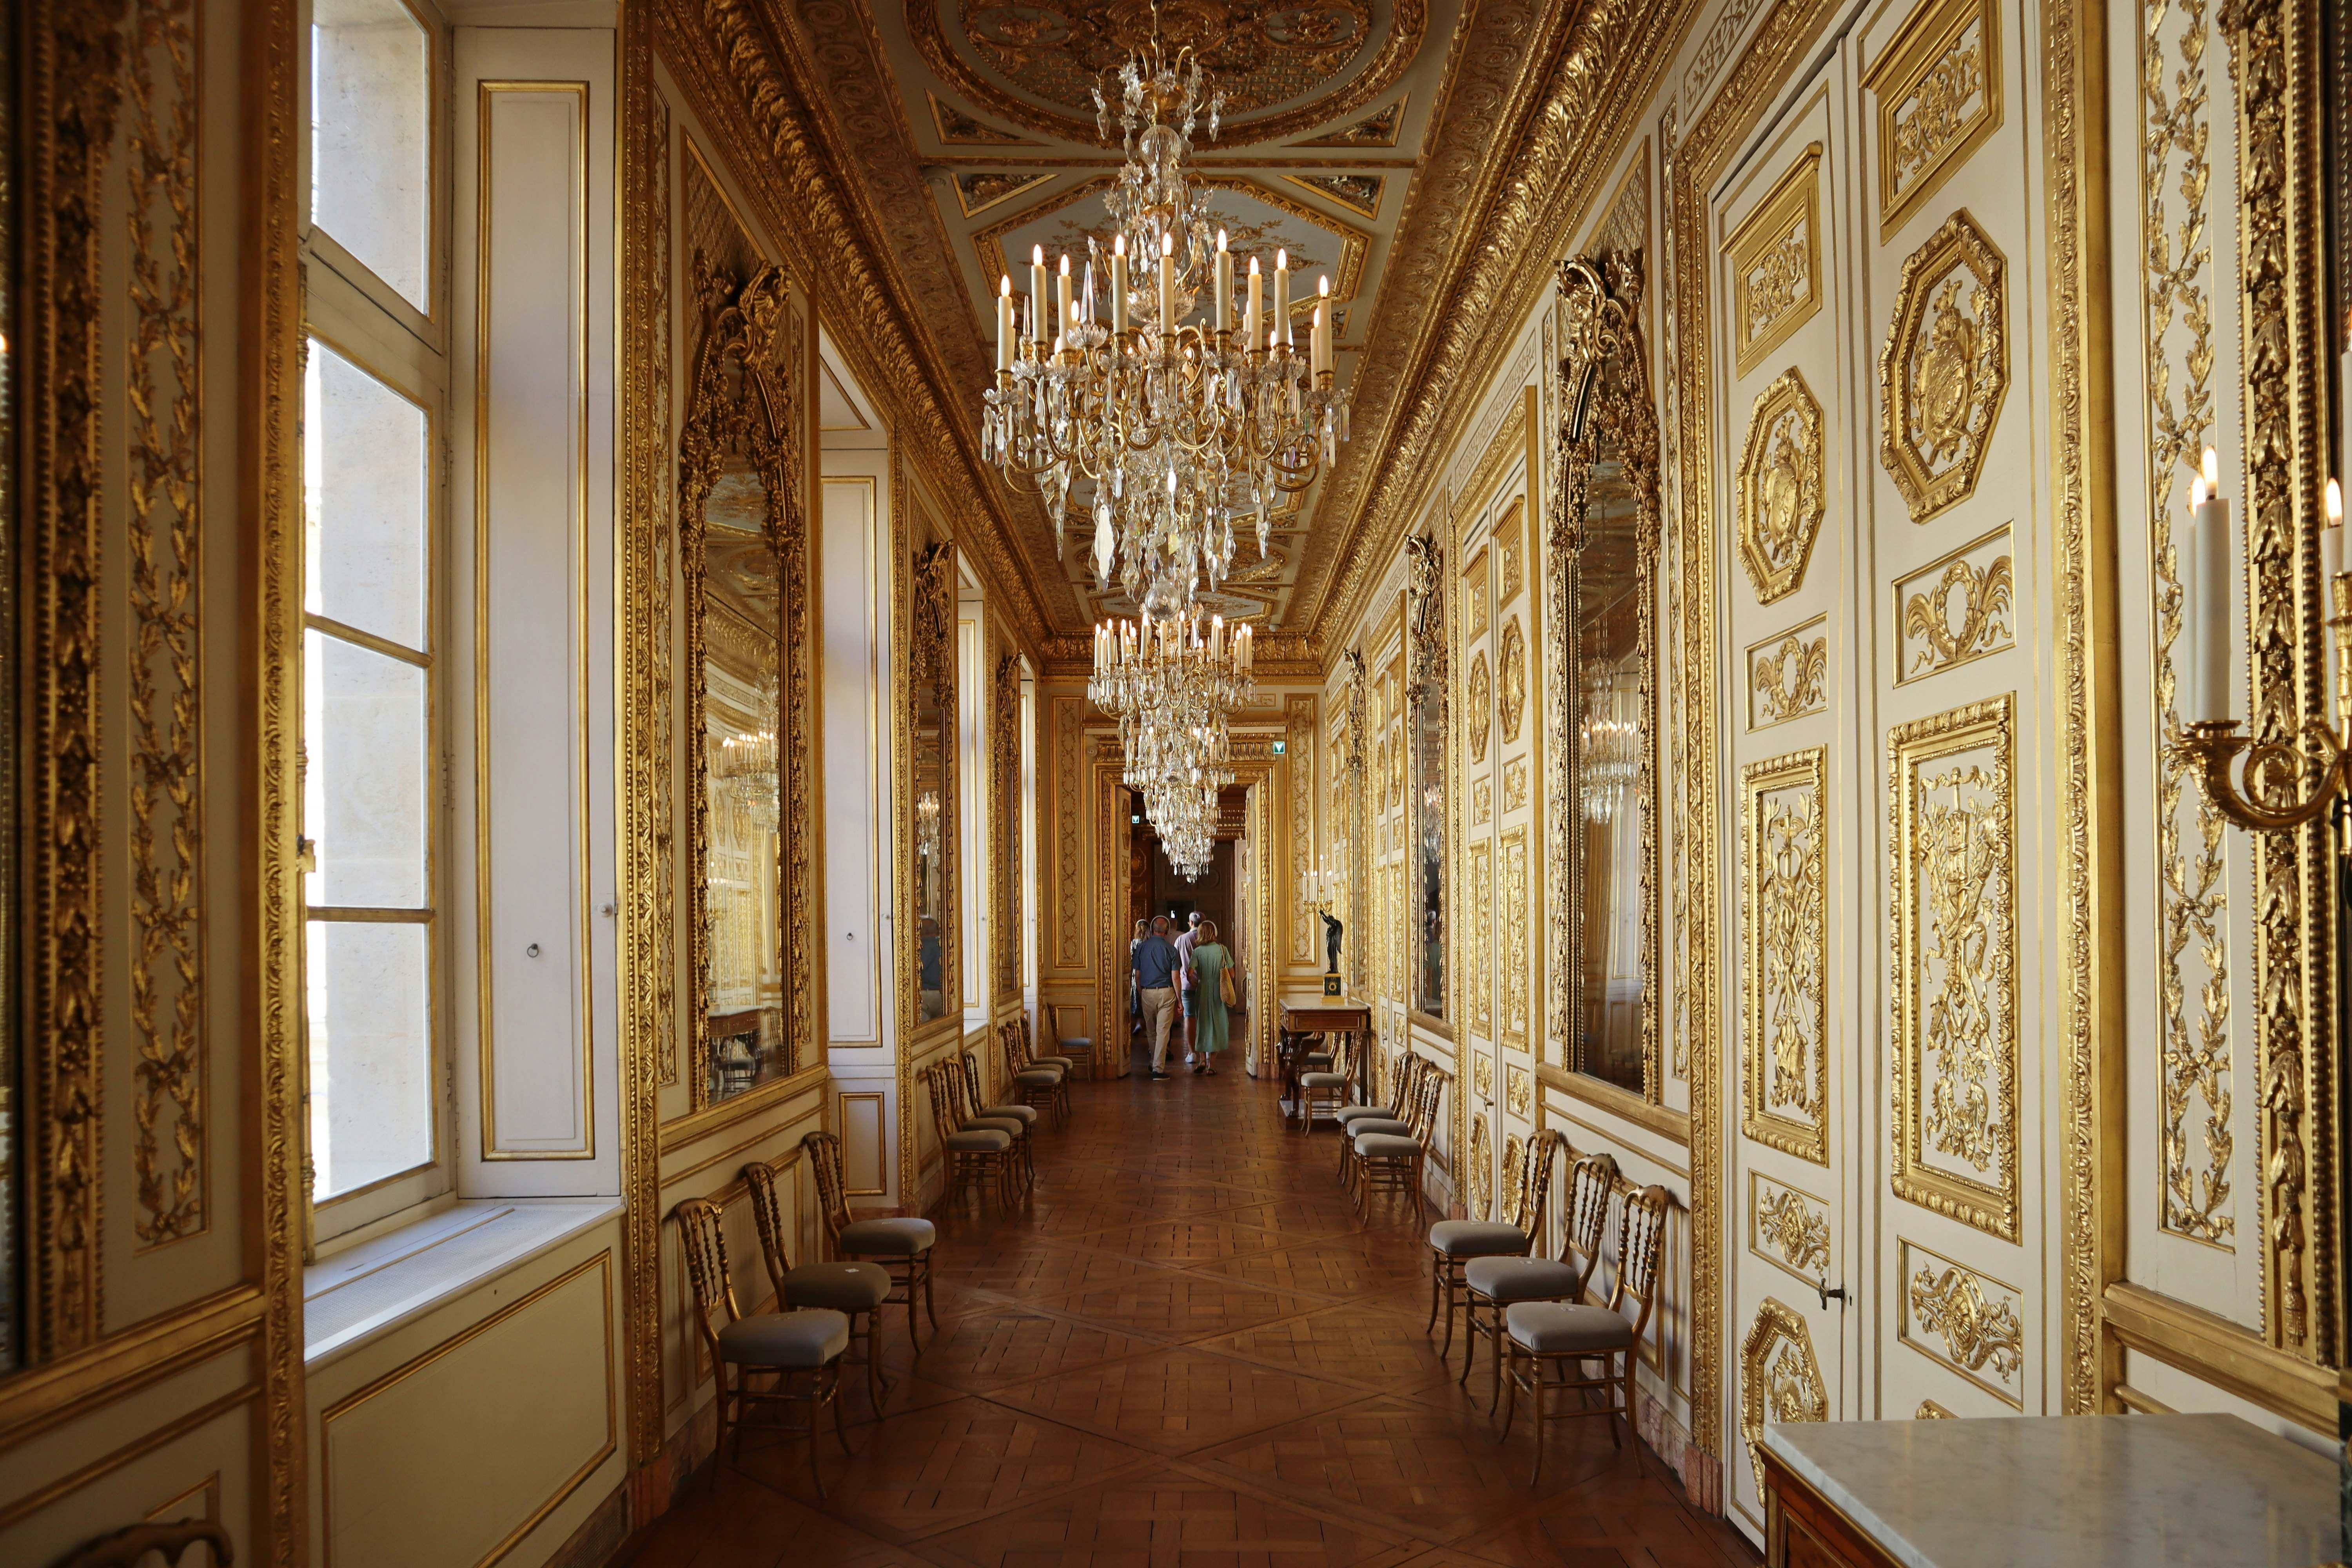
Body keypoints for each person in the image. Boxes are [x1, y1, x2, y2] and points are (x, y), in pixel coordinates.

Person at [1131, 915, 1181, 1080]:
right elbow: (1175, 978)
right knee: (1163, 1031)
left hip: (1147, 991)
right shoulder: (1172, 950)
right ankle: (1158, 1069)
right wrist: (1180, 1000)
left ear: (1153, 930)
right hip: (1166, 992)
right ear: (1166, 931)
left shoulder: (1141, 948)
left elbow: (1137, 976)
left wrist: (1141, 993)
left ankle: (1154, 1062)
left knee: (1151, 1031)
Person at [1187, 920, 1234, 1075]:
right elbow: (1232, 974)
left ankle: (1201, 1059)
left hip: (1203, 989)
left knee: (1203, 1024)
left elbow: (1189, 974)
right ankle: (1212, 1066)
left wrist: (1197, 982)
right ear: (1215, 933)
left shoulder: (1198, 951)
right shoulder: (1222, 949)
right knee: (1217, 1025)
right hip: (1219, 991)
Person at [1172, 911, 1203, 1062]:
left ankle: (1192, 1053)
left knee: (1189, 1017)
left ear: (1190, 923)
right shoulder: (1208, 940)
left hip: (1186, 984)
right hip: (1206, 985)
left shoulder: (1181, 939)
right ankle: (1205, 1052)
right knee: (1205, 1018)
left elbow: (1176, 964)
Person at [1127, 918, 1148, 1036]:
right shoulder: (1149, 942)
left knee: (1136, 996)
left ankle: (1138, 1023)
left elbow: (1131, 958)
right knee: (1146, 998)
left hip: (1137, 972)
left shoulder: (1134, 942)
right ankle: (1146, 1025)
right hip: (1148, 972)